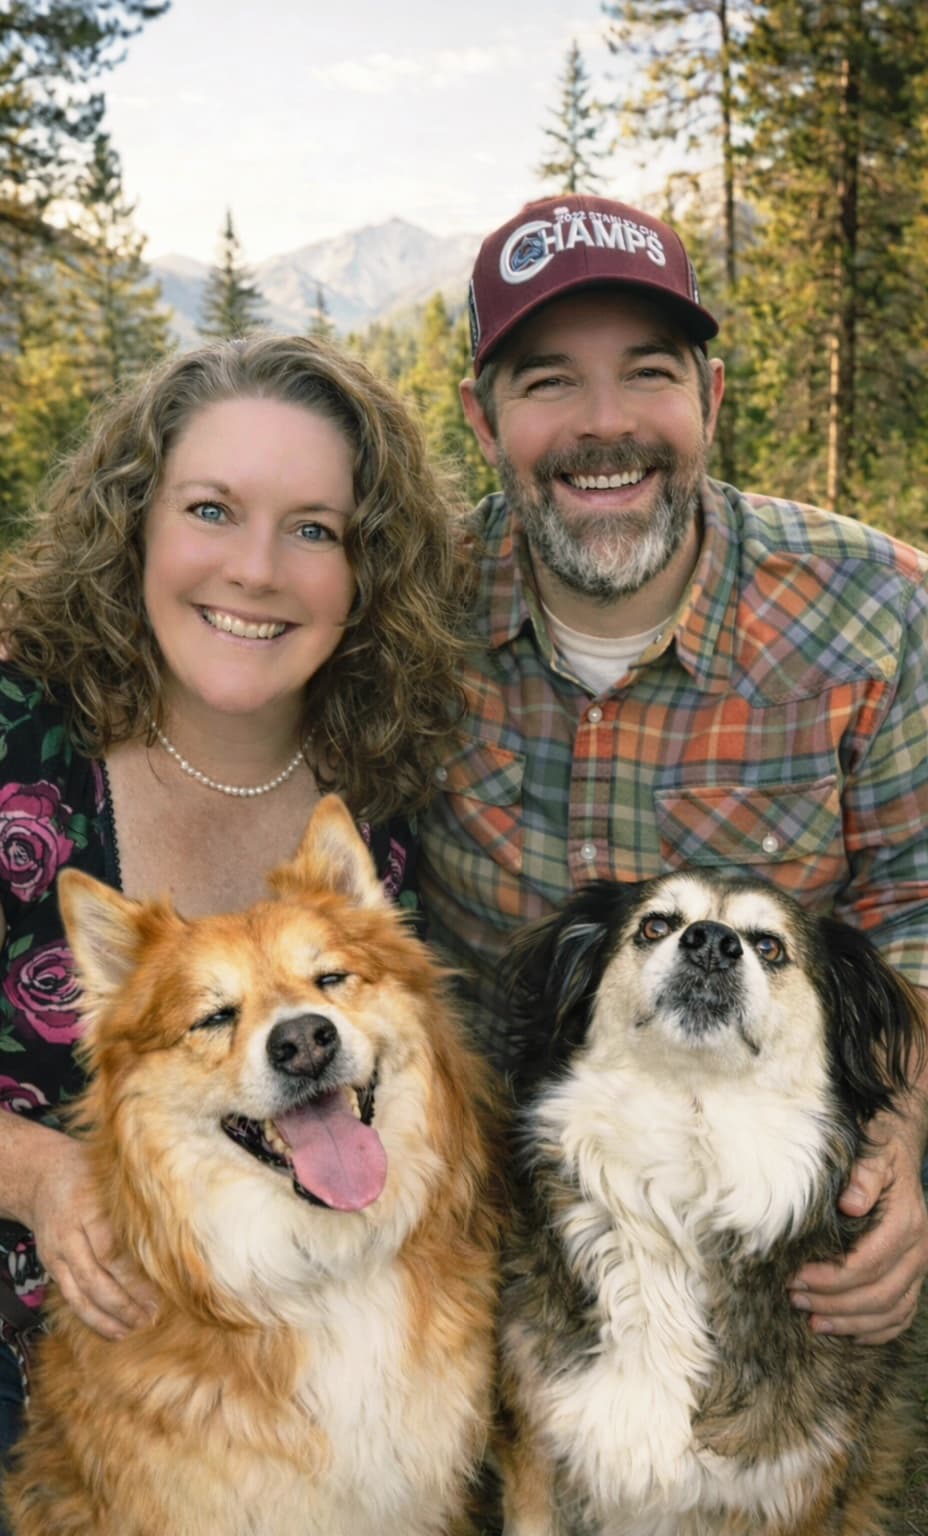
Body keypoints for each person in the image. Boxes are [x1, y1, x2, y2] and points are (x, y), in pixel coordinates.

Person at [419, 192, 928, 1347]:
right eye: (548, 381)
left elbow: (915, 902)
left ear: (708, 397)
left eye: (647, 372)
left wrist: (896, 1154)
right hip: (484, 1205)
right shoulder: (406, 609)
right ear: (482, 419)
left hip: (763, 1209)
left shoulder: (876, 610)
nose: (606, 426)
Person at [0, 333, 469, 1459]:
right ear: (136, 526)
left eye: (314, 529)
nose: (257, 568)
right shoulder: (20, 743)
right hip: (42, 1347)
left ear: (366, 574)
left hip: (308, 1351)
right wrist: (42, 1173)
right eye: (211, 509)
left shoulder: (386, 785)